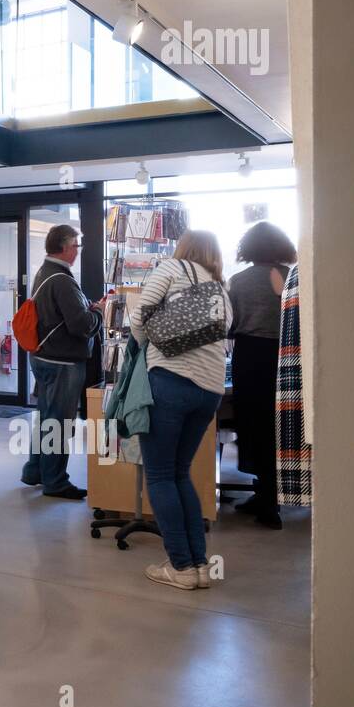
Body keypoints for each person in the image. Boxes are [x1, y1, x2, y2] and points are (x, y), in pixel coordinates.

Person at [130, 229, 233, 590]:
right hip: (210, 391)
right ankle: (199, 566)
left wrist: (149, 346)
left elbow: (139, 316)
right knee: (180, 473)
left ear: (183, 248)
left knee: (159, 476)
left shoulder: (170, 268)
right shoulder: (221, 288)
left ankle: (181, 567)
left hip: (171, 382)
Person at [22, 223, 102, 498]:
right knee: (59, 423)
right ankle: (55, 481)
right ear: (67, 248)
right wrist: (99, 314)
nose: (78, 251)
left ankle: (35, 470)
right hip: (63, 363)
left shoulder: (44, 273)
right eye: (77, 246)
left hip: (43, 357)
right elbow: (80, 325)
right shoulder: (62, 280)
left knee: (46, 418)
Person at [228, 221, 297, 529]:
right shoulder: (293, 276)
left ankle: (265, 497)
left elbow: (230, 323)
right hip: (287, 356)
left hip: (251, 355)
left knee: (253, 424)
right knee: (281, 425)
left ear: (248, 249)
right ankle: (271, 495)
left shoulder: (239, 280)